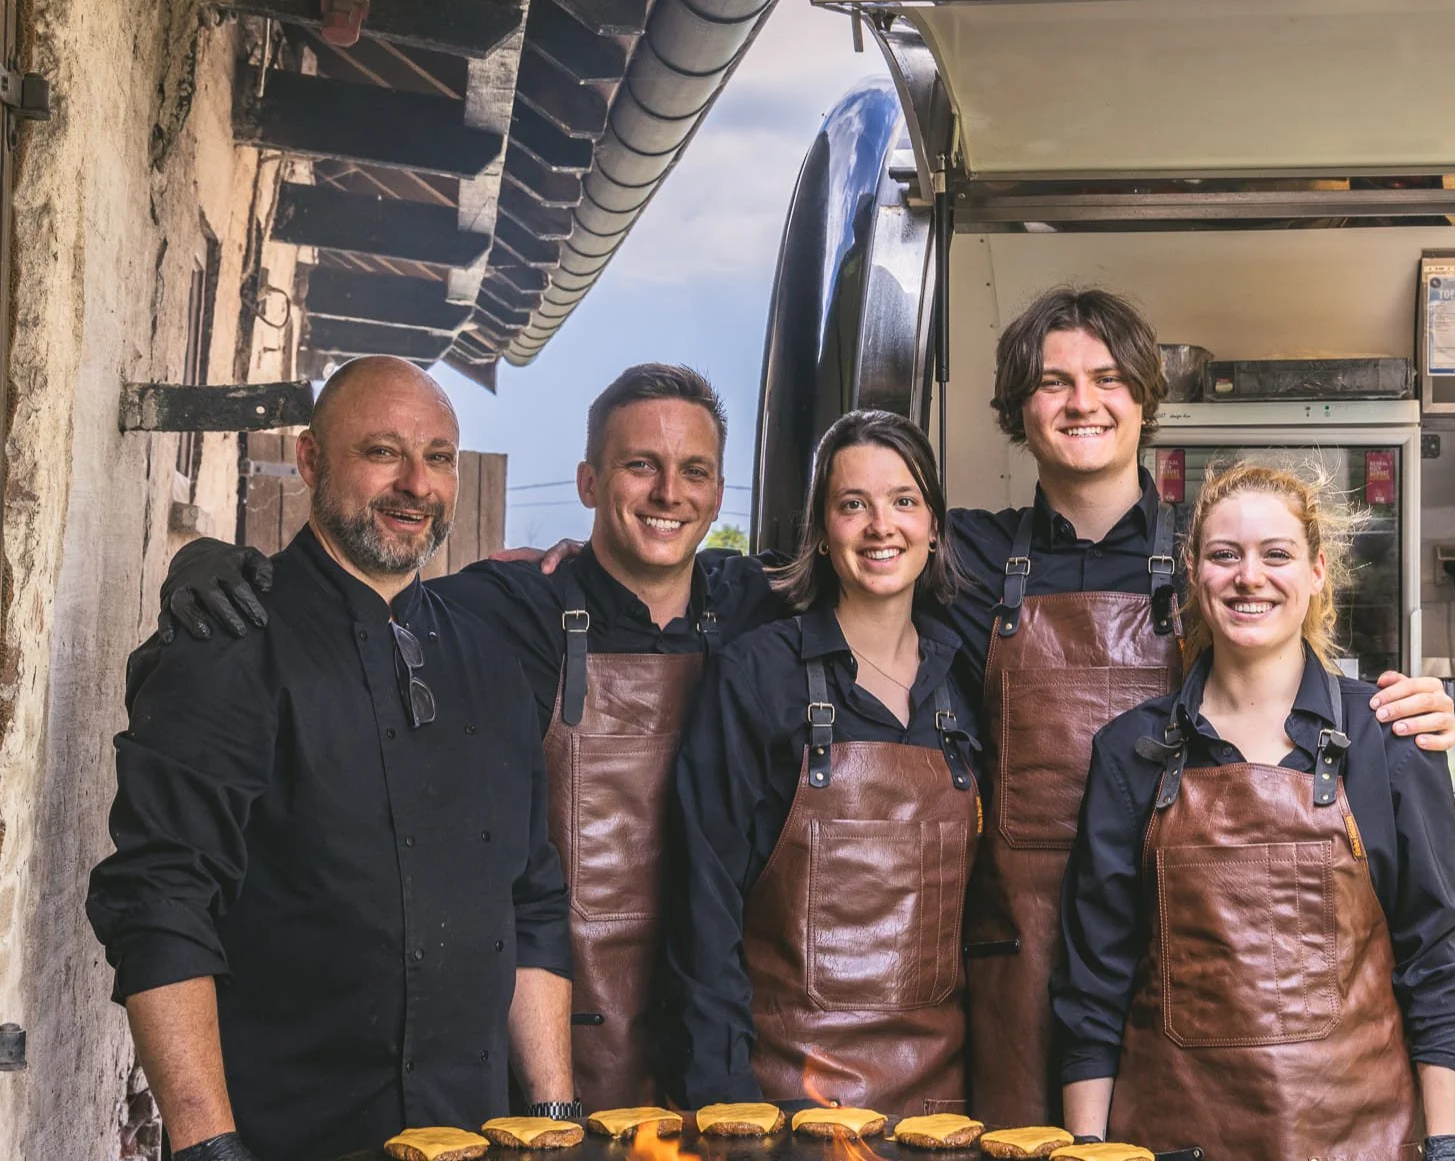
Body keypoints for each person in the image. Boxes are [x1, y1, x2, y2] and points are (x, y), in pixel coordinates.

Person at [150, 364, 787, 1112]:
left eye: (695, 472)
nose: (668, 494)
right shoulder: (509, 608)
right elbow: (364, 596)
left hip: (720, 1045)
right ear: (588, 482)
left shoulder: (765, 611)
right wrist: (202, 564)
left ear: (718, 490)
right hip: (554, 1051)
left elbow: (923, 565)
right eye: (640, 465)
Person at [944, 286, 1455, 1126]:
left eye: (1109, 378)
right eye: (1053, 382)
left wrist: (1417, 705)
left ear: (1145, 398)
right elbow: (843, 581)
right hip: (1020, 961)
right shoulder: (962, 559)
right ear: (1017, 407)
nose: (1083, 402)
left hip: (1190, 975)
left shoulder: (1212, 561)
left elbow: (1302, 677)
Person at [86, 357, 575, 1161]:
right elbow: (161, 902)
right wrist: (209, 1145)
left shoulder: (493, 664)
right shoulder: (228, 642)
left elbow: (532, 903)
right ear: (311, 461)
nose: (417, 483)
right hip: (288, 1134)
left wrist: (555, 1120)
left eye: (441, 457)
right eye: (383, 451)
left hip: (478, 1134)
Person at [1052, 463, 1455, 1161]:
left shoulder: (1387, 741)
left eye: (1275, 554)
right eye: (1225, 555)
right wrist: (1086, 1148)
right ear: (1196, 573)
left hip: (1358, 1144)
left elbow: (1437, 966)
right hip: (1170, 1141)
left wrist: (1448, 1148)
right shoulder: (1130, 753)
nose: (1249, 576)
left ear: (1316, 572)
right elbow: (1091, 985)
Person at [665, 410, 980, 1116]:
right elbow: (703, 907)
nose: (881, 526)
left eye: (903, 501)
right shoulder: (757, 674)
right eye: (852, 505)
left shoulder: (964, 684)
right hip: (784, 1102)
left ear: (933, 526)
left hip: (942, 1107)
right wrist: (724, 1104)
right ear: (822, 531)